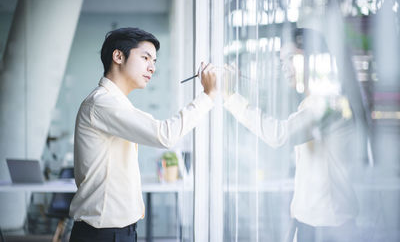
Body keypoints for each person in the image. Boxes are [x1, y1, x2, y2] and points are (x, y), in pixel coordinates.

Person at [69, 27, 217, 242]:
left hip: (117, 232)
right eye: (145, 57)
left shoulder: (117, 103)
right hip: (102, 234)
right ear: (118, 56)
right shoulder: (102, 103)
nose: (152, 67)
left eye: (154, 61)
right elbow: (164, 135)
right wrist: (208, 95)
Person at [224, 28, 359, 242]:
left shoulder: (329, 103)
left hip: (330, 229)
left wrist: (229, 96)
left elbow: (280, 135)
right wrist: (296, 217)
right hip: (310, 224)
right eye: (281, 61)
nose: (285, 68)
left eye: (291, 58)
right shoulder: (310, 104)